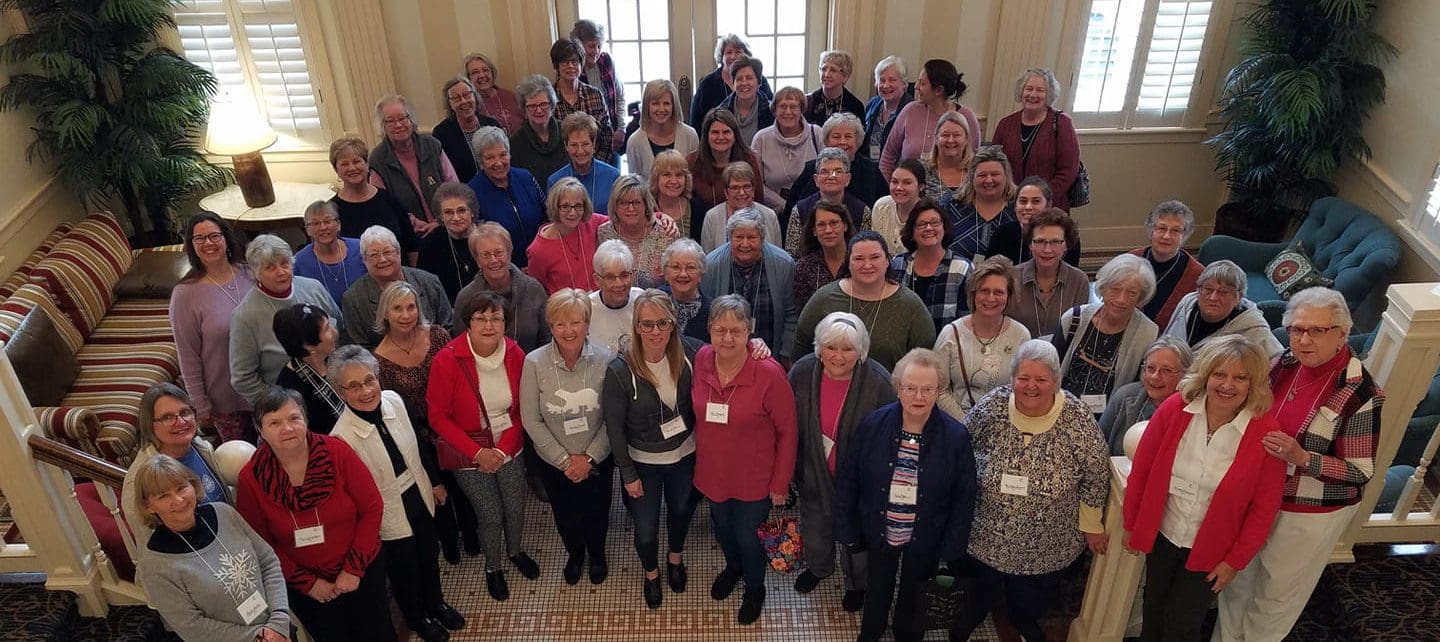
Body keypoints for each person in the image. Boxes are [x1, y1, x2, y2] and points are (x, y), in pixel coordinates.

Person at [1214, 287, 1383, 642]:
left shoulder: (1359, 392)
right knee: (1237, 581)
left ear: (1342, 334)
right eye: (1296, 329)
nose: (1304, 339)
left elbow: (1359, 472)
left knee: (1275, 594)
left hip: (1307, 511)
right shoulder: (1282, 364)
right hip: (1259, 495)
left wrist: (1302, 457)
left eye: (1316, 331)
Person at [1123, 335, 1287, 642]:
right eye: (1220, 374)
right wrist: (1132, 524)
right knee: (1153, 605)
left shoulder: (1266, 433)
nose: (1228, 385)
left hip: (1212, 550)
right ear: (1206, 375)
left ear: (1254, 384)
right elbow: (1141, 472)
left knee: (1182, 623)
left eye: (1240, 378)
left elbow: (1263, 510)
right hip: (1164, 534)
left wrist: (1234, 561)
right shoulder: (1174, 409)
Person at [952, 340, 1110, 642]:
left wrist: (1091, 525)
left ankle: (1022, 618)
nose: (1031, 386)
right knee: (979, 587)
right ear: (1012, 379)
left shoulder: (1075, 416)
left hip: (1047, 541)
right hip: (985, 532)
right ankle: (972, 614)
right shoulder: (994, 406)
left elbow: (1096, 471)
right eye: (1023, 378)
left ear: (1056, 381)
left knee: (1029, 597)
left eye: (1041, 379)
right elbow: (961, 447)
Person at [834, 348, 976, 642]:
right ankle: (871, 632)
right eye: (910, 388)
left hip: (925, 536)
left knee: (915, 589)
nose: (919, 397)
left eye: (928, 389)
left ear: (940, 390)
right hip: (881, 529)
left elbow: (964, 497)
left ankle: (906, 635)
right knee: (877, 585)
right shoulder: (873, 425)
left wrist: (952, 546)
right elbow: (849, 478)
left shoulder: (956, 437)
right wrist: (847, 526)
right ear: (898, 388)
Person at [327, 346, 463, 642]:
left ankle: (436, 603)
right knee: (405, 569)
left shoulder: (394, 401)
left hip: (418, 492)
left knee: (429, 553)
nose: (366, 391)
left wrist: (436, 483)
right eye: (354, 386)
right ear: (340, 392)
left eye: (369, 380)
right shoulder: (341, 437)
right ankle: (416, 618)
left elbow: (419, 446)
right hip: (387, 509)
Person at [235, 387, 391, 642]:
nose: (287, 428)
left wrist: (353, 569)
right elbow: (260, 543)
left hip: (361, 570)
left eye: (294, 418)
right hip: (307, 587)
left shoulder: (337, 452)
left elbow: (372, 508)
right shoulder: (251, 478)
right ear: (260, 431)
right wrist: (308, 583)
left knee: (377, 630)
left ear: (305, 420)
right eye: (275, 422)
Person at [426, 291, 539, 601]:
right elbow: (438, 416)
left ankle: (515, 551)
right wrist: (479, 453)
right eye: (480, 318)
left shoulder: (516, 354)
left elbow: (522, 409)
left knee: (515, 507)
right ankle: (493, 567)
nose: (488, 325)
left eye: (496, 318)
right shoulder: (448, 359)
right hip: (468, 453)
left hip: (508, 446)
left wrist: (502, 451)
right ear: (468, 322)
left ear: (505, 323)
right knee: (489, 515)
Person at [692, 295, 797, 625]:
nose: (727, 338)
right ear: (709, 330)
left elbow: (788, 433)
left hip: (755, 477)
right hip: (713, 471)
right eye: (720, 329)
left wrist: (780, 484)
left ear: (749, 330)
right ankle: (733, 567)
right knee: (723, 530)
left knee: (749, 537)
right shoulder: (703, 359)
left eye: (736, 330)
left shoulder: (768, 373)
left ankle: (755, 587)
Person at [789, 312, 897, 612]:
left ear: (861, 351)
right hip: (812, 470)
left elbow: (890, 434)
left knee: (857, 534)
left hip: (859, 481)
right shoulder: (801, 372)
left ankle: (856, 583)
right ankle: (818, 568)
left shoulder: (878, 381)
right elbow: (786, 422)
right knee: (815, 525)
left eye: (847, 349)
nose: (837, 356)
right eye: (830, 347)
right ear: (818, 347)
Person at [602, 290, 703, 608]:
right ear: (636, 326)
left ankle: (675, 560)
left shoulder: (692, 354)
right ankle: (651, 573)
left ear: (673, 323)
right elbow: (614, 429)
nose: (655, 331)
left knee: (681, 512)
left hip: (684, 455)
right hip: (643, 463)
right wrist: (627, 474)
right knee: (645, 531)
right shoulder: (620, 370)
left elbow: (730, 354)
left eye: (662, 323)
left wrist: (757, 345)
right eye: (647, 324)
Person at [373, 281, 479, 565]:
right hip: (416, 434)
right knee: (436, 489)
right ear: (386, 314)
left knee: (465, 486)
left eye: (411, 307)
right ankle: (448, 540)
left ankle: (471, 534)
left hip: (453, 425)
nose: (406, 315)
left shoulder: (438, 335)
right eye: (397, 309)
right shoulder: (379, 358)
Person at [131, 455, 290, 642]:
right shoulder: (154, 564)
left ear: (193, 485)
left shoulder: (224, 513)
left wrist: (279, 621)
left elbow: (268, 562)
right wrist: (258, 637)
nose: (179, 499)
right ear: (148, 505)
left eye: (181, 487)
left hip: (278, 630)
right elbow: (192, 626)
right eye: (163, 496)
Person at [520, 289, 615, 585]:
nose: (568, 330)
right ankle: (575, 554)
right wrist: (563, 460)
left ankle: (597, 555)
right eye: (560, 324)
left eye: (576, 322)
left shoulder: (605, 359)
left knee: (597, 511)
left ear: (587, 323)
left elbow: (613, 419)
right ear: (550, 326)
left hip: (596, 458)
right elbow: (531, 419)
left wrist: (588, 459)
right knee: (565, 514)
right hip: (553, 461)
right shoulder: (534, 363)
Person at [171, 212, 256, 442]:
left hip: (265, 386)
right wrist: (199, 404)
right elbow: (187, 354)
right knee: (241, 461)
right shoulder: (185, 294)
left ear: (226, 238)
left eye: (214, 236)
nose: (208, 243)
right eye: (199, 239)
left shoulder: (251, 273)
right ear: (191, 246)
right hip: (226, 399)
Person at [795, 232, 935, 371]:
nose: (867, 265)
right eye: (859, 258)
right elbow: (801, 346)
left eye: (875, 257)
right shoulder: (824, 298)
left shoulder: (911, 305)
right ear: (848, 263)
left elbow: (926, 360)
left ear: (887, 261)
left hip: (888, 392)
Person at [122, 383, 234, 551]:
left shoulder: (202, 447)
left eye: (185, 412)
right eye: (167, 417)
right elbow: (151, 550)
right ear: (149, 425)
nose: (180, 422)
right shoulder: (138, 482)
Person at [229, 235, 338, 406]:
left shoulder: (314, 287)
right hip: (292, 404)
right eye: (270, 267)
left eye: (284, 263)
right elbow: (243, 378)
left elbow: (341, 327)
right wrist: (281, 405)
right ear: (256, 273)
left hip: (338, 387)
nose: (281, 272)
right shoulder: (244, 316)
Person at [1054, 254, 1160, 414]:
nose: (1121, 299)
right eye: (1115, 289)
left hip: (1109, 419)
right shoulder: (1074, 318)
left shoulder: (1148, 335)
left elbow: (1140, 391)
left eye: (1132, 293)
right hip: (1060, 410)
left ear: (1141, 297)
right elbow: (1049, 368)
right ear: (1103, 288)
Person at [935, 256, 1031, 417]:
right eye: (984, 291)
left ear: (1009, 296)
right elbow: (937, 389)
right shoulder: (950, 334)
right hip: (957, 426)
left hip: (1006, 424)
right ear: (973, 294)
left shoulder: (1021, 335)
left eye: (998, 292)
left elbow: (1025, 387)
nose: (991, 298)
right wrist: (965, 425)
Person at [700, 209, 798, 363]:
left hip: (772, 357)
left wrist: (786, 354)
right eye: (739, 237)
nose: (745, 244)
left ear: (763, 238)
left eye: (752, 237)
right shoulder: (712, 265)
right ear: (729, 237)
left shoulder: (783, 264)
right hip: (724, 356)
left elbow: (791, 313)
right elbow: (707, 315)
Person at [341, 226, 453, 349]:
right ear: (364, 259)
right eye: (374, 255)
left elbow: (448, 328)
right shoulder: (353, 299)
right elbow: (359, 349)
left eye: (388, 252)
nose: (382, 259)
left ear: (399, 253)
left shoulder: (430, 282)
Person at [368, 95, 459, 237]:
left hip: (448, 227)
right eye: (390, 121)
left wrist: (440, 220)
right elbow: (384, 205)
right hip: (410, 235)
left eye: (402, 118)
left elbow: (454, 186)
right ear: (382, 126)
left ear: (411, 120)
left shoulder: (432, 145)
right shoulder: (377, 159)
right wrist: (416, 224)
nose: (398, 125)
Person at [992, 69, 1081, 211]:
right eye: (1029, 89)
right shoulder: (1005, 124)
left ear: (1049, 95)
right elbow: (994, 164)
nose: (1033, 94)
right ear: (1021, 92)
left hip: (1050, 206)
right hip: (1010, 204)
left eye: (1040, 90)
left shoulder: (1062, 123)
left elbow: (1069, 170)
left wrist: (1041, 198)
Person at [455, 222, 551, 352]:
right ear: (478, 261)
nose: (493, 260)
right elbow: (461, 346)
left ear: (509, 254)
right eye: (486, 255)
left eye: (499, 253)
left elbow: (547, 340)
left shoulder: (533, 289)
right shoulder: (466, 298)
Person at [880, 58, 982, 179]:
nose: (916, 87)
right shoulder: (910, 111)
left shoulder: (966, 117)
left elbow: (975, 164)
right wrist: (893, 189)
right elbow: (887, 158)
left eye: (922, 83)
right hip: (906, 192)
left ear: (938, 90)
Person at [1163, 259, 1284, 359]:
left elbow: (1277, 362)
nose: (1213, 297)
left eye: (1223, 292)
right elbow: (1165, 342)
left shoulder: (1254, 329)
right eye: (1208, 289)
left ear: (1238, 297)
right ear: (1199, 290)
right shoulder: (1187, 304)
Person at [780, 113, 885, 226]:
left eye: (848, 136)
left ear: (857, 140)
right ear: (826, 140)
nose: (842, 141)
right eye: (836, 136)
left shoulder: (871, 171)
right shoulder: (812, 169)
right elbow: (791, 212)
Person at [329, 136, 419, 262]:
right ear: (336, 170)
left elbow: (411, 245)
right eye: (344, 164)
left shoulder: (390, 200)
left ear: (367, 164)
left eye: (356, 161)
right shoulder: (331, 211)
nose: (352, 168)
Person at [1097, 337, 1193, 454]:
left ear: (1186, 374)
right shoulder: (1124, 396)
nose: (1155, 377)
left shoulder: (1193, 410)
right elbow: (1096, 446)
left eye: (1166, 370)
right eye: (1150, 368)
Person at [467, 125, 546, 265]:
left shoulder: (526, 177)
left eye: (503, 154)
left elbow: (547, 215)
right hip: (504, 269)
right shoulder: (472, 192)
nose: (498, 163)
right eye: (490, 157)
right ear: (480, 161)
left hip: (542, 261)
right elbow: (480, 241)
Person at [889, 197, 972, 332]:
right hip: (903, 348)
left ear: (944, 228)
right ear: (912, 232)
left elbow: (968, 317)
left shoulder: (962, 268)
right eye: (921, 224)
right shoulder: (898, 264)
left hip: (947, 347)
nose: (928, 228)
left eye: (935, 223)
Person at [1007, 209, 1090, 340]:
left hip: (1062, 357)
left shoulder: (1079, 281)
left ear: (1066, 245)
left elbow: (1079, 331)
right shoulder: (1011, 277)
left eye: (1056, 242)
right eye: (1040, 241)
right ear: (1030, 244)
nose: (1047, 249)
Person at [784, 146, 872, 257]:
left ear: (848, 179)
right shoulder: (800, 210)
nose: (831, 177)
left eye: (838, 171)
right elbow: (792, 254)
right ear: (816, 179)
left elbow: (865, 252)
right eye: (825, 172)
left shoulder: (862, 211)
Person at [1129, 200, 1204, 330]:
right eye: (1162, 228)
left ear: (1185, 236)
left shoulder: (1198, 275)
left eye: (1176, 231)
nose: (1167, 236)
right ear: (1151, 230)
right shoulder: (1130, 260)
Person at [272, 304, 345, 436]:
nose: (335, 332)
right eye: (327, 329)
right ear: (308, 345)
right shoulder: (291, 390)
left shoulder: (337, 359)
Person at [526, 177, 606, 293]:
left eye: (578, 206)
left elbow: (619, 221)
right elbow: (536, 291)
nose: (573, 213)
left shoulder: (592, 222)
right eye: (565, 206)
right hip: (565, 309)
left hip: (598, 304)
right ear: (555, 207)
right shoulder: (538, 250)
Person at [599, 175, 678, 288]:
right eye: (624, 203)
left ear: (645, 204)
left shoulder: (666, 233)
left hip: (657, 302)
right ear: (615, 206)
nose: (631, 208)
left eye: (636, 202)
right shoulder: (604, 233)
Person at [753, 87, 824, 210]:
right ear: (774, 110)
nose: (788, 111)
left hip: (812, 210)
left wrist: (802, 207)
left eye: (793, 107)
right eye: (782, 106)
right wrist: (786, 206)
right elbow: (756, 183)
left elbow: (825, 175)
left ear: (802, 109)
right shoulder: (761, 139)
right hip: (773, 212)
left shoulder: (817, 134)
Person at [987, 176, 1082, 267]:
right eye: (1023, 201)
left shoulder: (1066, 233)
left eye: (1036, 201)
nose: (1028, 207)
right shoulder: (1002, 234)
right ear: (1015, 206)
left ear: (1048, 205)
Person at [946, 145, 1018, 262]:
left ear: (1006, 176)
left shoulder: (1019, 208)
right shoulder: (952, 206)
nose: (989, 180)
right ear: (971, 177)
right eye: (982, 175)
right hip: (957, 277)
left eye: (995, 174)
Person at [690, 34, 775, 131]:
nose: (733, 56)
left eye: (738, 52)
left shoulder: (760, 80)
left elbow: (772, 111)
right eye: (728, 52)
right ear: (721, 57)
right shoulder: (708, 84)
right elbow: (696, 120)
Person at [549, 39, 614, 163]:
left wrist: (592, 166)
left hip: (596, 164)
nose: (571, 66)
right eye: (564, 62)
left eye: (574, 61)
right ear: (556, 66)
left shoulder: (595, 95)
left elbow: (607, 135)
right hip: (563, 168)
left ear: (581, 64)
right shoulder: (549, 99)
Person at [690, 108, 764, 213]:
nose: (721, 137)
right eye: (715, 132)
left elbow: (758, 199)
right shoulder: (692, 162)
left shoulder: (748, 159)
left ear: (734, 136)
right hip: (705, 225)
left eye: (726, 132)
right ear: (706, 136)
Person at [416, 182, 482, 301]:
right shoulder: (430, 245)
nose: (456, 218)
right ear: (440, 216)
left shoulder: (488, 237)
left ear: (472, 212)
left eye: (461, 210)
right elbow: (425, 288)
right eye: (448, 212)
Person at [570, 20, 626, 158]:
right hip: (583, 144)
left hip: (611, 137)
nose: (596, 51)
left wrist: (621, 128)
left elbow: (620, 96)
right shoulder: (573, 70)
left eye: (599, 46)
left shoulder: (607, 61)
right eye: (591, 46)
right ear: (579, 45)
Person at [294, 201, 367, 306]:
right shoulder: (299, 262)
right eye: (315, 223)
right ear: (307, 230)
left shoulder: (361, 248)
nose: (323, 227)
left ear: (338, 225)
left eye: (327, 221)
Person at [432, 76, 503, 183]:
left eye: (467, 95)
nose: (464, 101)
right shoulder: (441, 133)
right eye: (456, 98)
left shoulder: (492, 124)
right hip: (463, 192)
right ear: (450, 104)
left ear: (475, 96)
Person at [700, 161, 781, 253]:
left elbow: (777, 256)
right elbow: (708, 260)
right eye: (735, 188)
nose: (742, 192)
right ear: (726, 192)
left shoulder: (770, 216)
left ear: (753, 190)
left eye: (746, 186)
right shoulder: (712, 217)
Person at [626, 79, 700, 180]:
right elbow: (634, 184)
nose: (661, 109)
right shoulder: (635, 142)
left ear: (674, 106)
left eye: (666, 103)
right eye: (655, 103)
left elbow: (695, 177)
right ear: (646, 106)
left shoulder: (690, 135)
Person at [547, 112, 620, 213]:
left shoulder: (613, 177)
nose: (580, 151)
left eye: (585, 144)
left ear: (593, 144)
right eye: (574, 145)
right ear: (566, 146)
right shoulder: (554, 181)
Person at [793, 199, 855, 305]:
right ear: (814, 231)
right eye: (821, 225)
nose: (828, 230)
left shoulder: (860, 261)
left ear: (845, 226)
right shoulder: (804, 267)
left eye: (834, 223)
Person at [510, 75, 570, 182]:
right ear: (524, 109)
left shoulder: (567, 131)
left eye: (543, 104)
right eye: (532, 106)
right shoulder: (515, 143)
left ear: (551, 105)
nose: (538, 110)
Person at [863, 55, 913, 160]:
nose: (886, 85)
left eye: (892, 80)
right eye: (882, 80)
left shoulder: (912, 110)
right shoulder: (873, 104)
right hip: (869, 169)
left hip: (897, 171)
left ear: (904, 84)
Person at [660, 239, 711, 342]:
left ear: (701, 273)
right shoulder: (654, 303)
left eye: (690, 267)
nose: (683, 274)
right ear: (665, 273)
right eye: (676, 267)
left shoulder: (712, 311)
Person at [919, 111, 975, 204]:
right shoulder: (921, 169)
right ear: (936, 139)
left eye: (957, 135)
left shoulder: (977, 170)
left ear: (966, 139)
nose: (950, 140)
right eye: (945, 135)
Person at [870, 158, 925, 251]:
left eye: (907, 183)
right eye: (894, 182)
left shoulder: (928, 214)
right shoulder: (881, 207)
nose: (899, 187)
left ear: (921, 186)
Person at [718, 55, 774, 144]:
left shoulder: (771, 111)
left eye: (749, 78)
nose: (744, 83)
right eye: (739, 79)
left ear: (759, 82)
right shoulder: (721, 113)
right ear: (733, 84)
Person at [803, 49, 866, 125]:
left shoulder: (855, 106)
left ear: (845, 76)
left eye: (832, 70)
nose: (826, 75)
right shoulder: (808, 102)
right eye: (823, 69)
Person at [464, 53, 522, 134]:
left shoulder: (510, 97)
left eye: (485, 70)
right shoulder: (469, 105)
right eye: (475, 72)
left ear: (492, 73)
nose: (481, 75)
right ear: (468, 79)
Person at [650, 150, 697, 239]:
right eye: (667, 174)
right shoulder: (646, 208)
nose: (674, 181)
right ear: (656, 178)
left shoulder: (696, 208)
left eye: (679, 175)